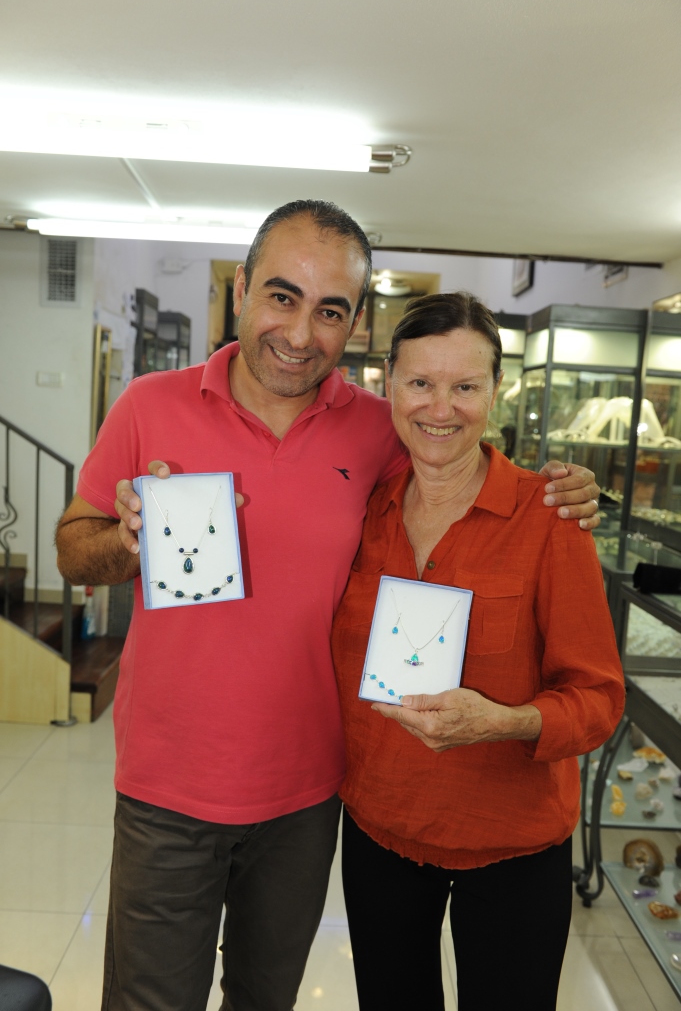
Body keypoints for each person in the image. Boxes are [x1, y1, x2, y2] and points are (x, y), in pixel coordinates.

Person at [55, 201, 601, 1011]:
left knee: (265, 998)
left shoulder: (379, 431)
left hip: (308, 794)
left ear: (355, 323)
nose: (301, 332)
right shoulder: (149, 404)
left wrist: (566, 490)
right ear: (241, 289)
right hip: (167, 785)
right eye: (282, 297)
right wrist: (127, 538)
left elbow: (456, 455)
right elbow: (73, 552)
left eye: (330, 310)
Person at [331, 292, 625, 1011]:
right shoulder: (363, 509)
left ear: (495, 390)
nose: (441, 408)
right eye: (419, 383)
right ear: (389, 384)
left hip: (512, 847)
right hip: (379, 830)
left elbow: (597, 699)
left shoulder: (549, 519)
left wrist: (505, 721)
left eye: (465, 386)